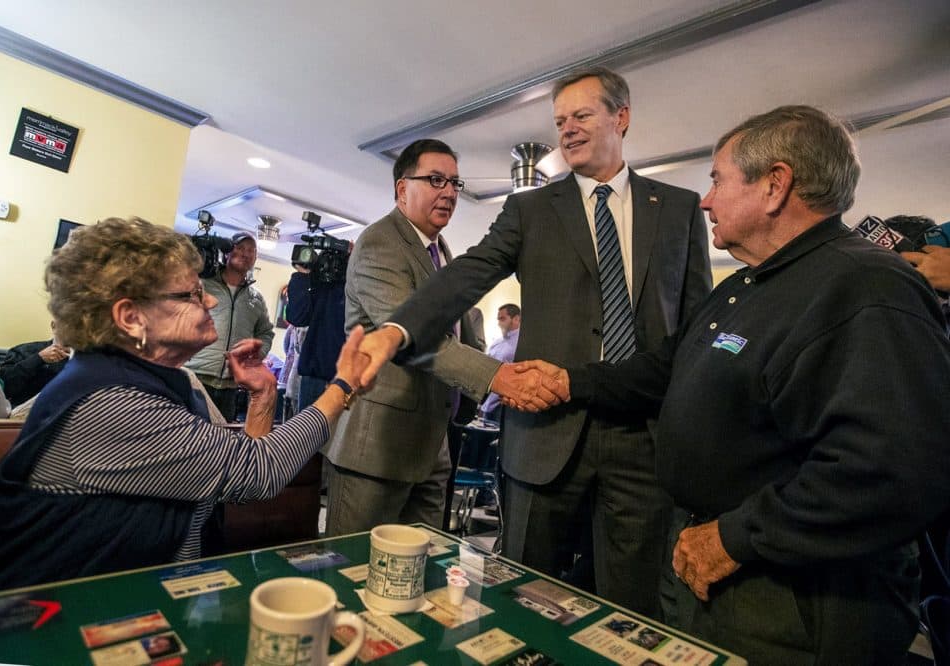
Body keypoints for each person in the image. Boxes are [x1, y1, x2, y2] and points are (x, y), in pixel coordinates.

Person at [519, 106, 950, 664]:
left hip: (792, 600)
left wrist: (738, 537)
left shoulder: (866, 286)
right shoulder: (747, 285)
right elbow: (665, 368)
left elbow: (892, 469)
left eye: (717, 180)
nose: (705, 200)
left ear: (775, 185)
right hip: (713, 568)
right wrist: (569, 380)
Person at [356, 67, 711, 615]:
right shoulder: (531, 209)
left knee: (630, 610)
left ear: (622, 116)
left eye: (582, 116)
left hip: (641, 443)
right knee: (522, 599)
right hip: (545, 435)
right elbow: (469, 273)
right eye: (559, 121)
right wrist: (400, 328)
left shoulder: (681, 209)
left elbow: (693, 329)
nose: (566, 130)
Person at [0, 217, 368, 596]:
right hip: (34, 632)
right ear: (131, 317)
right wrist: (343, 383)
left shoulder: (167, 383)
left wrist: (262, 397)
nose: (210, 304)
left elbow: (232, 481)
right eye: (190, 295)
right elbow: (259, 470)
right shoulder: (111, 403)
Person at [324, 138, 560, 537]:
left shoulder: (442, 250)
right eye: (435, 180)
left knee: (419, 574)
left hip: (433, 445)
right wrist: (498, 378)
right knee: (354, 571)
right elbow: (414, 337)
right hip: (378, 447)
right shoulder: (380, 243)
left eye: (454, 183)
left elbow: (461, 330)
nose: (449, 192)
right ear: (402, 188)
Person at [184, 231, 274, 421]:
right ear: (227, 251)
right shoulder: (203, 285)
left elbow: (266, 333)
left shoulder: (256, 299)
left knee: (220, 443)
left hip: (231, 387)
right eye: (240, 248)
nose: (245, 254)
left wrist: (257, 355)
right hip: (196, 378)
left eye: (251, 250)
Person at [286, 260, 347, 411]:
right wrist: (303, 275)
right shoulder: (321, 283)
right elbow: (297, 317)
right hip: (316, 376)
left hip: (347, 376)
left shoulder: (358, 283)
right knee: (307, 433)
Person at [0, 324, 72, 406]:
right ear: (54, 326)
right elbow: (4, 388)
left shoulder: (86, 360)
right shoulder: (23, 351)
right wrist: (38, 359)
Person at [478, 304, 521, 423]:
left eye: (502, 318)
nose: (499, 323)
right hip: (488, 404)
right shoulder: (496, 343)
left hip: (505, 406)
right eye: (498, 319)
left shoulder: (522, 343)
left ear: (516, 319)